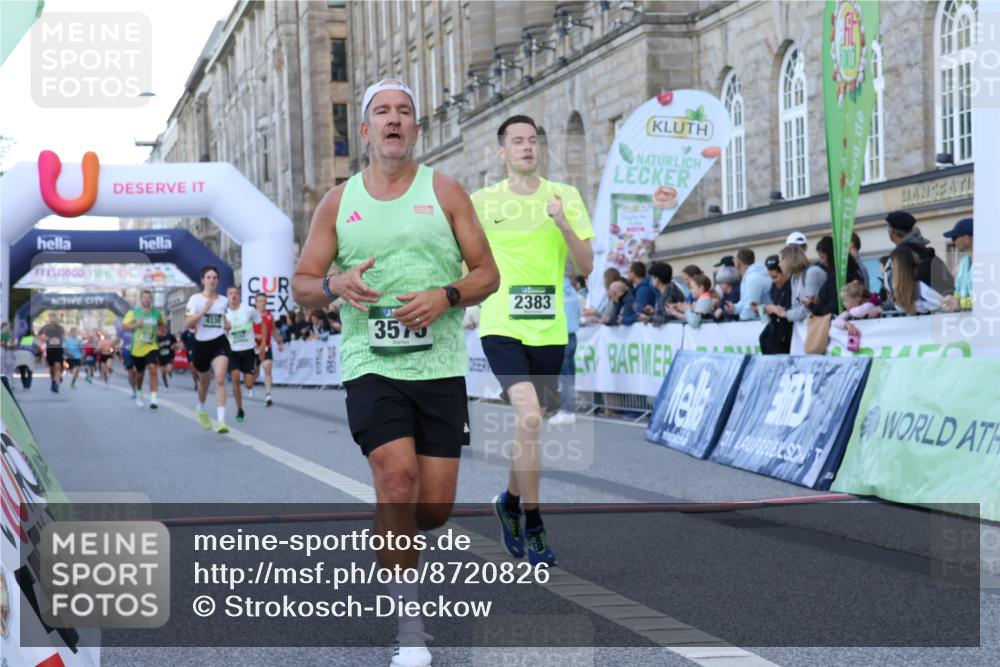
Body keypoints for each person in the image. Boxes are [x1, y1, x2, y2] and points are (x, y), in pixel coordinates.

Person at [291, 78, 499, 667]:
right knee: (398, 479)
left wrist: (447, 294)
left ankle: (392, 530)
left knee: (431, 508)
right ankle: (410, 628)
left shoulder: (446, 190)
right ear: (365, 131)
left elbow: (488, 273)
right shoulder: (338, 201)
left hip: (437, 363)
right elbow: (302, 285)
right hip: (369, 362)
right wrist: (336, 283)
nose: (393, 120)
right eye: (381, 112)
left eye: (404, 112)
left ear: (415, 128)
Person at [471, 113, 593, 571]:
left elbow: (586, 266)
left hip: (549, 329)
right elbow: (461, 258)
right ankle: (535, 521)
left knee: (531, 424)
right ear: (501, 152)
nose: (526, 147)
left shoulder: (566, 197)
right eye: (517, 141)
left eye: (532, 140)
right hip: (501, 324)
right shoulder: (482, 201)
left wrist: (562, 224)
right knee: (529, 417)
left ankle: (508, 501)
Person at [185, 265, 232, 433]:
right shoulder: (195, 300)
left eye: (215, 277)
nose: (212, 280)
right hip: (201, 344)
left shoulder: (223, 300)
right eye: (209, 277)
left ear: (218, 281)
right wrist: (204, 310)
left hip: (219, 342)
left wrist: (226, 323)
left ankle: (221, 421)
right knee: (204, 383)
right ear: (203, 280)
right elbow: (188, 323)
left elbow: (222, 317)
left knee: (219, 378)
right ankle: (202, 408)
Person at [883, 210, 955, 303]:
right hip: (939, 309)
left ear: (893, 231)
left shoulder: (901, 254)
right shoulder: (924, 251)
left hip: (920, 311)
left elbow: (901, 292)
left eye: (888, 227)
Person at [223, 285, 261, 423]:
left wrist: (261, 344)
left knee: (249, 384)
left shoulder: (248, 310)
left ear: (239, 296)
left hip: (249, 349)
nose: (233, 296)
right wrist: (226, 331)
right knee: (235, 378)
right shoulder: (225, 315)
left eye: (236, 293)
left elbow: (260, 322)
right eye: (231, 293)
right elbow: (222, 334)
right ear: (227, 297)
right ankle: (240, 409)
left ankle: (254, 372)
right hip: (233, 350)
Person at [122, 290, 166, 408]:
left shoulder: (157, 313)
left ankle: (153, 398)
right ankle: (139, 392)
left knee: (153, 369)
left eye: (148, 297)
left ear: (151, 299)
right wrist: (135, 325)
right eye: (144, 297)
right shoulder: (133, 313)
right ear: (141, 300)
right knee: (140, 374)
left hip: (152, 345)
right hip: (137, 348)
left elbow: (162, 325)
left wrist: (161, 331)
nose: (146, 299)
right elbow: (124, 327)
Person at [550, 272, 582, 426]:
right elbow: (577, 312)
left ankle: (566, 411)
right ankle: (567, 409)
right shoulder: (571, 290)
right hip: (572, 335)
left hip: (558, 334)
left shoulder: (552, 288)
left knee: (563, 375)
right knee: (569, 374)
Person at [766, 244, 826, 323]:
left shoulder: (811, 273)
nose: (779, 265)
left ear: (789, 260)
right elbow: (795, 307)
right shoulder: (794, 278)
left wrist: (784, 313)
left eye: (780, 261)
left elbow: (809, 308)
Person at [809, 236, 865, 317]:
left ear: (831, 255)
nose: (821, 261)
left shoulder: (841, 275)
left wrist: (814, 307)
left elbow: (835, 306)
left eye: (823, 257)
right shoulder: (834, 273)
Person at [888, 246, 943, 315]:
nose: (891, 267)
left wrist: (919, 306)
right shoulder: (900, 286)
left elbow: (941, 303)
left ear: (901, 266)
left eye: (893, 263)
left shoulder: (920, 284)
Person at [253, 292, 284, 407]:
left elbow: (274, 330)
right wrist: (255, 336)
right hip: (253, 347)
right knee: (254, 373)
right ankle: (250, 385)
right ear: (256, 303)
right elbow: (246, 330)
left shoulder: (269, 316)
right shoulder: (251, 315)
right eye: (260, 301)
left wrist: (279, 342)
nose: (263, 303)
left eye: (264, 301)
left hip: (266, 347)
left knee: (267, 369)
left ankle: (268, 395)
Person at [760, 255, 793, 354]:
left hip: (789, 332)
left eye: (775, 277)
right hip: (778, 330)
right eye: (771, 278)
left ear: (785, 273)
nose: (774, 281)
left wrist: (776, 310)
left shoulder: (792, 286)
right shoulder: (773, 288)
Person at [730, 249, 771, 321]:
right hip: (764, 320)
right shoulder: (749, 276)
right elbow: (745, 301)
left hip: (765, 322)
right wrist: (735, 308)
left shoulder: (752, 278)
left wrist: (742, 322)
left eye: (734, 261)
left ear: (738, 263)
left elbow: (750, 308)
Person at [942, 217, 973, 311]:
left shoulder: (988, 262)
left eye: (955, 237)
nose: (953, 241)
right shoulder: (964, 262)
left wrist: (960, 303)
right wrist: (951, 300)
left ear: (967, 238)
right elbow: (958, 291)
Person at [38, 313, 65, 393]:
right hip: (49, 350)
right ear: (49, 319)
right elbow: (39, 337)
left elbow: (63, 337)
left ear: (56, 319)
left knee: (57, 366)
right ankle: (53, 380)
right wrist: (46, 338)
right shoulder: (45, 328)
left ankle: (56, 384)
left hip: (58, 350)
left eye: (54, 318)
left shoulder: (60, 328)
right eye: (51, 318)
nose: (53, 320)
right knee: (52, 368)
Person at [157, 323, 177, 389]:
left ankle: (169, 372)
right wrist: (159, 346)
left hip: (169, 356)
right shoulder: (157, 338)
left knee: (168, 369)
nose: (163, 330)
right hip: (161, 357)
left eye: (164, 328)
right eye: (161, 329)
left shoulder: (170, 336)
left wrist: (173, 346)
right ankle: (165, 383)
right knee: (163, 373)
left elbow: (175, 342)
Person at [180, 325, 198, 389]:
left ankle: (201, 380)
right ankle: (196, 384)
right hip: (190, 352)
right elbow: (182, 341)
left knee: (200, 369)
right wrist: (182, 346)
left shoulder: (200, 331)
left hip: (200, 352)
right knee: (193, 370)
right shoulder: (186, 333)